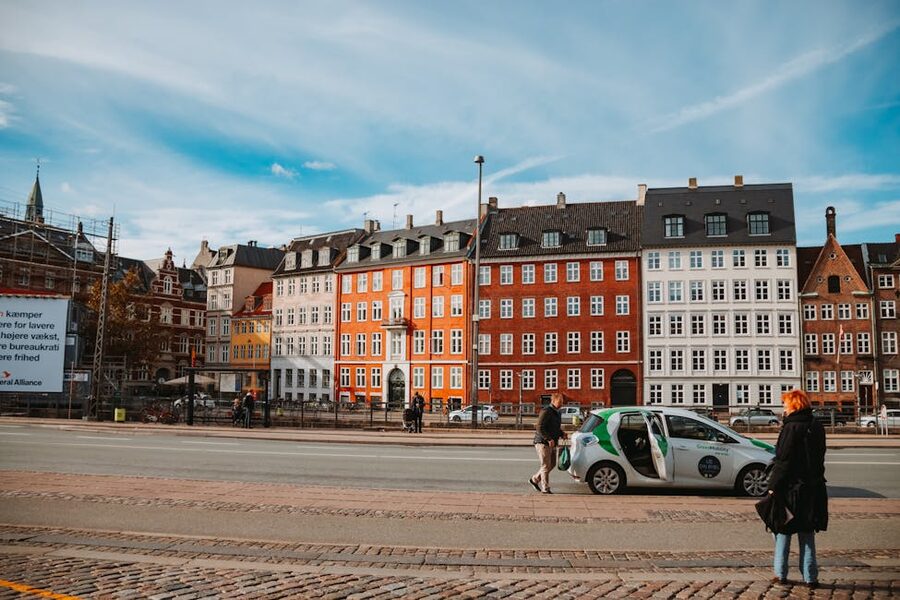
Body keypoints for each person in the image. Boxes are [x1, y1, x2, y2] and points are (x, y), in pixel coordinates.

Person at [766, 389, 828, 588]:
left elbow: (784, 461)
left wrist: (773, 486)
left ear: (793, 405)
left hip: (791, 489)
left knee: (783, 529)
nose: (783, 408)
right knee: (807, 533)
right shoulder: (816, 425)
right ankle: (810, 577)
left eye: (785, 404)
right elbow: (820, 456)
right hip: (813, 488)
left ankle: (780, 573)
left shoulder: (791, 428)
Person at [529, 393, 567, 494]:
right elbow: (539, 427)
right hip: (543, 442)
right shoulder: (546, 411)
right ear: (553, 401)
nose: (561, 404)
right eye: (560, 402)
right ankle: (545, 488)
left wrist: (561, 433)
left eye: (562, 402)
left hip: (553, 442)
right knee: (545, 465)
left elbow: (554, 427)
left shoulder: (557, 412)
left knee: (552, 464)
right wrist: (548, 439)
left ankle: (535, 479)